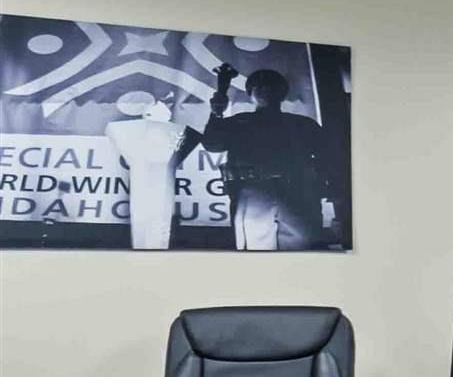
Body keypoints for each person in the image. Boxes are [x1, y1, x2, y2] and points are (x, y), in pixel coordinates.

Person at [175, 63, 332, 251]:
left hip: (299, 193)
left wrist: (326, 187)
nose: (265, 89)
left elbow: (327, 157)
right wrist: (217, 113)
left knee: (305, 253)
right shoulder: (239, 122)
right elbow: (213, 145)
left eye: (271, 86)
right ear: (250, 93)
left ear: (282, 93)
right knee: (256, 252)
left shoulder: (303, 124)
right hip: (253, 192)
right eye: (259, 86)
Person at [104, 89, 184, 250]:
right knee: (144, 223)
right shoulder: (131, 133)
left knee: (159, 223)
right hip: (143, 179)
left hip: (162, 181)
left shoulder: (174, 133)